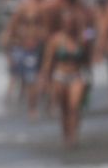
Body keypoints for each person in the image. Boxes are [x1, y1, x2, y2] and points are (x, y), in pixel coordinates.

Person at [39, 8, 91, 147]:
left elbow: (87, 60)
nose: (69, 25)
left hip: (77, 76)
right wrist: (45, 79)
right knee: (64, 108)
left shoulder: (82, 39)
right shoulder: (55, 40)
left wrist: (89, 78)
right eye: (67, 23)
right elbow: (48, 61)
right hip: (60, 76)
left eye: (72, 23)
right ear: (62, 24)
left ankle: (74, 135)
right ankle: (66, 134)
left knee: (74, 107)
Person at [1, 0, 49, 116]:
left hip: (40, 46)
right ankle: (25, 106)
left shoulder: (45, 7)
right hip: (26, 47)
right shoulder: (25, 7)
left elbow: (48, 29)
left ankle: (37, 106)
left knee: (37, 77)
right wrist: (9, 49)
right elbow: (11, 28)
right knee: (23, 78)